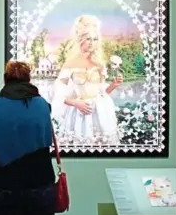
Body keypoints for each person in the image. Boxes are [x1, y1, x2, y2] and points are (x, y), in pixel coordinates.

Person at [0, 61, 56, 215]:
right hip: (40, 185)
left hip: (2, 188)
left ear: (5, 79)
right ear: (28, 79)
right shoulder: (42, 105)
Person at [51, 14, 123, 145]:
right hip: (79, 112)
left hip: (101, 111)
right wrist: (76, 103)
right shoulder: (70, 63)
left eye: (95, 39)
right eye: (88, 39)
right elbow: (59, 96)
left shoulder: (99, 63)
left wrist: (114, 84)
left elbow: (102, 92)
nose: (92, 43)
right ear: (80, 40)